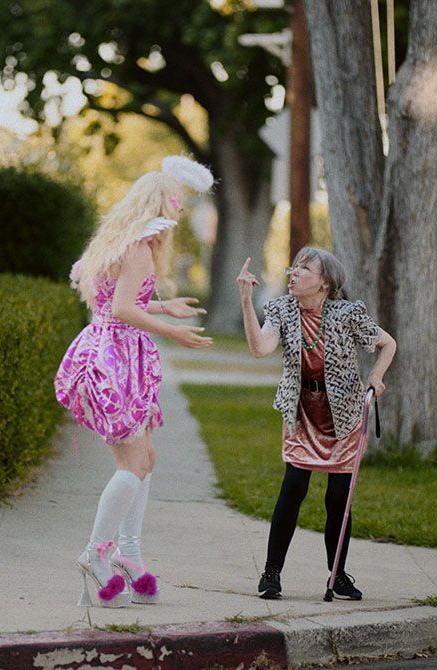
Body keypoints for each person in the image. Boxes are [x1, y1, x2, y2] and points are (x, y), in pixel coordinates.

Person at [54, 156, 214, 608]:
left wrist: (165, 307)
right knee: (133, 464)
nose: (180, 213)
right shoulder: (139, 248)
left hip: (110, 352)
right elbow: (124, 310)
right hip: (116, 361)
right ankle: (96, 553)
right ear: (157, 205)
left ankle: (128, 553)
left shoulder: (120, 243)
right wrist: (173, 332)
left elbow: (117, 302)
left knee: (144, 458)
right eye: (175, 203)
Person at [237, 247, 397, 600]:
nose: (293, 273)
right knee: (293, 488)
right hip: (303, 412)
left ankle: (337, 575)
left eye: (303, 269)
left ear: (324, 283)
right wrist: (247, 302)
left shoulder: (346, 314)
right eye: (292, 267)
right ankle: (271, 573)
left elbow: (388, 344)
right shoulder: (282, 309)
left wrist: (376, 377)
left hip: (344, 415)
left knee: (338, 498)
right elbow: (260, 348)